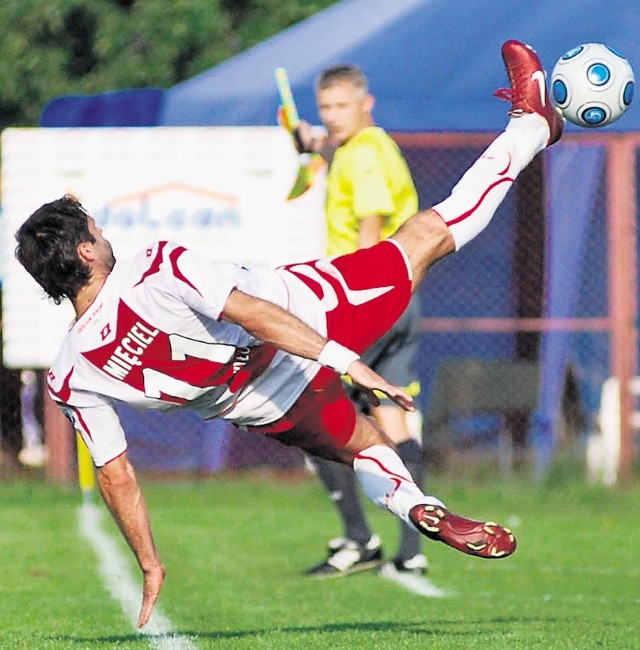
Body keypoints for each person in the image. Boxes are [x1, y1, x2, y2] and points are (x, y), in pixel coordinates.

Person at [14, 40, 562, 628]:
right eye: (94, 228)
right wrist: (344, 360)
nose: (102, 229)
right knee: (430, 230)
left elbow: (115, 472)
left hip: (267, 405)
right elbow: (252, 312)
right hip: (312, 314)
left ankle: (421, 507)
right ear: (85, 251)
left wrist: (148, 563)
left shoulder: (71, 372)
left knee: (366, 447)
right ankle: (531, 124)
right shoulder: (152, 267)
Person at [292, 65, 429, 583]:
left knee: (310, 414)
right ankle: (412, 551)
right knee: (392, 422)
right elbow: (329, 147)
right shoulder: (355, 147)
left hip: (368, 303)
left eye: (341, 107)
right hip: (398, 303)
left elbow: (371, 229)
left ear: (365, 104)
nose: (332, 117)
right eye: (325, 108)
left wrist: (361, 301)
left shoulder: (366, 152)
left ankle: (358, 539)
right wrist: (310, 142)